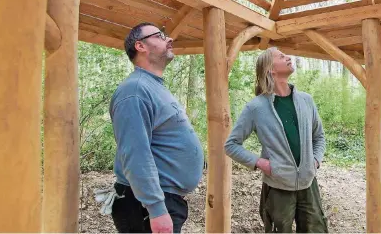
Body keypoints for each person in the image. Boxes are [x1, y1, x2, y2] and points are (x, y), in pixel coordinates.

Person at [109, 23, 204, 233]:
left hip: (162, 199)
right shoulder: (135, 90)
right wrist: (156, 208)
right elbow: (135, 154)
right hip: (143, 204)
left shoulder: (153, 86)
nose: (169, 39)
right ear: (140, 46)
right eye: (160, 36)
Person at [225, 47, 328, 233]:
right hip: (277, 187)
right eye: (281, 56)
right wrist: (261, 163)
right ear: (270, 69)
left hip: (308, 184)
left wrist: (315, 161)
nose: (288, 57)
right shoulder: (256, 107)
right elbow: (231, 145)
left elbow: (319, 136)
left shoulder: (307, 100)